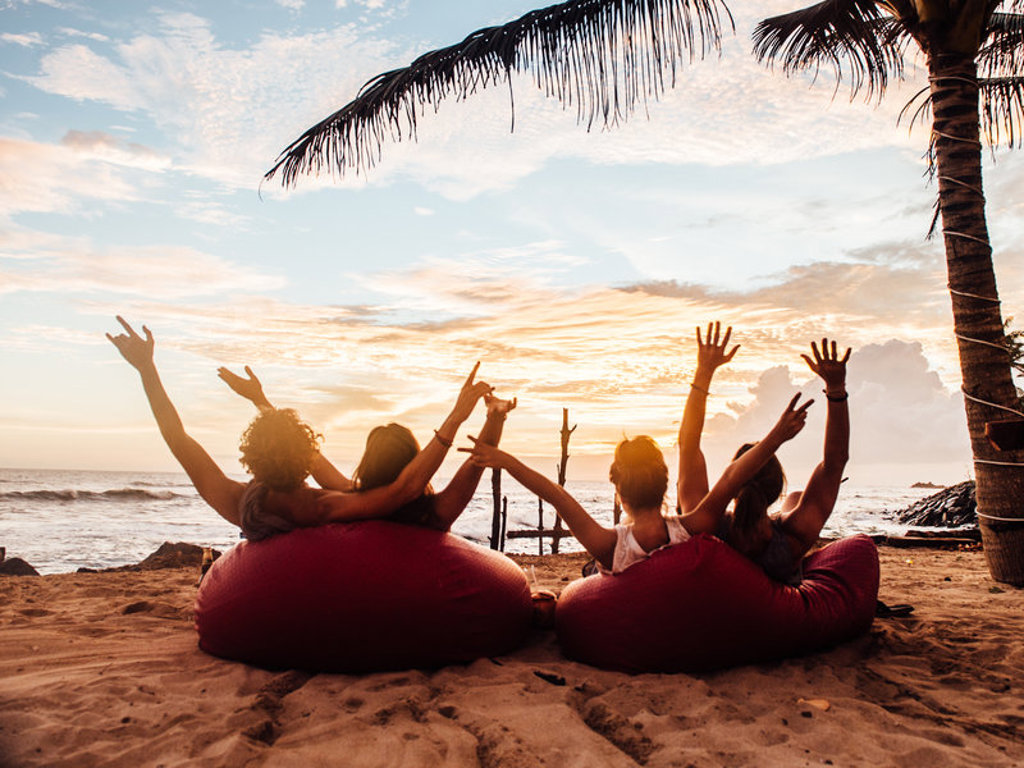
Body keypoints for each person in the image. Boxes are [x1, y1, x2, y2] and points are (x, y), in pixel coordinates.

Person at [106, 316, 491, 541]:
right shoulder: (327, 506)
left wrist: (147, 370)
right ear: (305, 454)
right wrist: (457, 417)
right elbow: (405, 488)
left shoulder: (240, 503)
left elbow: (176, 438)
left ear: (251, 456)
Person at [462, 395, 813, 574]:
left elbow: (554, 494)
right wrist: (776, 438)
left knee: (588, 572)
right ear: (664, 485)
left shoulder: (607, 545)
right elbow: (731, 478)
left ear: (619, 492)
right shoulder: (692, 527)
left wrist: (506, 460)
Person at [217, 365, 517, 531]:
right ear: (415, 459)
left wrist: (260, 401)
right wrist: (495, 416)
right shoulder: (436, 514)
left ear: (369, 462)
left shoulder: (351, 499)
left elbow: (305, 455)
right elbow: (477, 460)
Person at [678, 326, 851, 585]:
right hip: (780, 600)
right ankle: (790, 501)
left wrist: (704, 371)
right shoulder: (794, 536)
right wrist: (836, 389)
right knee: (795, 499)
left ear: (732, 485)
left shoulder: (703, 522)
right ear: (777, 486)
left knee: (795, 499)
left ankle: (790, 500)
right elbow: (835, 462)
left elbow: (688, 445)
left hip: (717, 603)